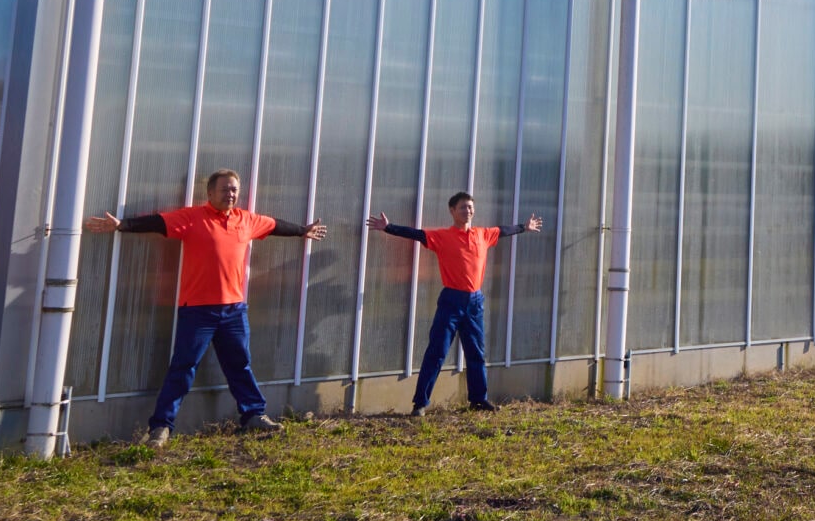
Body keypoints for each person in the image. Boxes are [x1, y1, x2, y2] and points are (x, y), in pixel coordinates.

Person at [86, 168, 326, 446]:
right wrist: (122, 225)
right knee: (183, 367)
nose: (231, 193)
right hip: (197, 311)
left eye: (234, 189)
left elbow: (274, 226)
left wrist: (302, 231)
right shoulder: (191, 217)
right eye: (225, 189)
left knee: (240, 365)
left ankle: (253, 416)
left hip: (234, 310)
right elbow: (157, 222)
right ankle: (161, 427)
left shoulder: (245, 220)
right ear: (210, 193)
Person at [365, 192, 543, 413]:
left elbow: (504, 231)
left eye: (470, 207)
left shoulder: (483, 234)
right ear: (452, 211)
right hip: (451, 301)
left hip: (475, 302)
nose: (467, 211)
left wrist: (524, 227)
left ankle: (478, 399)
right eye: (462, 208)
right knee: (437, 352)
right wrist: (388, 227)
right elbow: (418, 234)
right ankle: (420, 403)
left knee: (476, 352)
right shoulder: (442, 236)